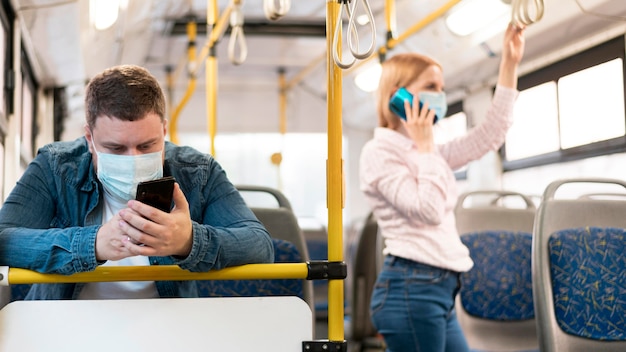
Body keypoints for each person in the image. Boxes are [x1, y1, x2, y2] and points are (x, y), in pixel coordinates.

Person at [0, 64, 274, 300]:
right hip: (68, 324)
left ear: (164, 130)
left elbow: (259, 246)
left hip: (168, 327)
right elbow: (3, 238)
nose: (133, 158)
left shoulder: (197, 172)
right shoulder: (55, 167)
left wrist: (189, 241)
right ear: (89, 138)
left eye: (147, 145)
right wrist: (92, 244)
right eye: (116, 148)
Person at [359, 22, 526, 352]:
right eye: (431, 86)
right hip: (411, 291)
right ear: (399, 97)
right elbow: (429, 209)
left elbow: (490, 134)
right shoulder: (378, 153)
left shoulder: (427, 152)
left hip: (438, 292)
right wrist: (424, 146)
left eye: (442, 87)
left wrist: (509, 64)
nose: (440, 95)